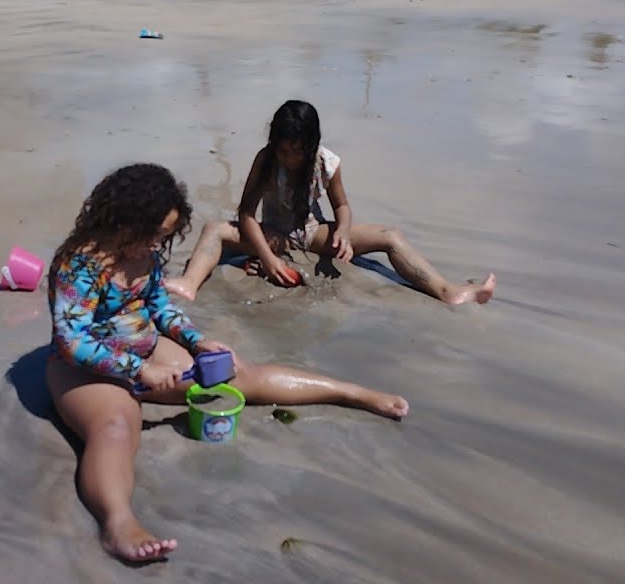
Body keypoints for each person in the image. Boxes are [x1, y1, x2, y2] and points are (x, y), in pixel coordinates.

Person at [46, 163, 408, 564]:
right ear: (124, 221)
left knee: (235, 373)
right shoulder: (80, 264)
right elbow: (71, 340)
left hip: (145, 349)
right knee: (116, 426)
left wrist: (198, 343)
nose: (157, 245)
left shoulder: (144, 257)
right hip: (84, 369)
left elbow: (160, 309)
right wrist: (138, 371)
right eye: (154, 235)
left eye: (165, 237)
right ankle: (118, 524)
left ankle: (350, 392)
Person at [166, 100, 495, 305]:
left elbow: (342, 208)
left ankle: (446, 290)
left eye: (298, 151)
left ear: (312, 145)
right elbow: (246, 213)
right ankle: (190, 282)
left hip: (311, 231)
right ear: (274, 144)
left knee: (390, 236)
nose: (291, 158)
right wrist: (267, 258)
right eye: (285, 150)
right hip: (272, 232)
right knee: (214, 228)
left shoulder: (327, 163)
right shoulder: (266, 160)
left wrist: (342, 233)